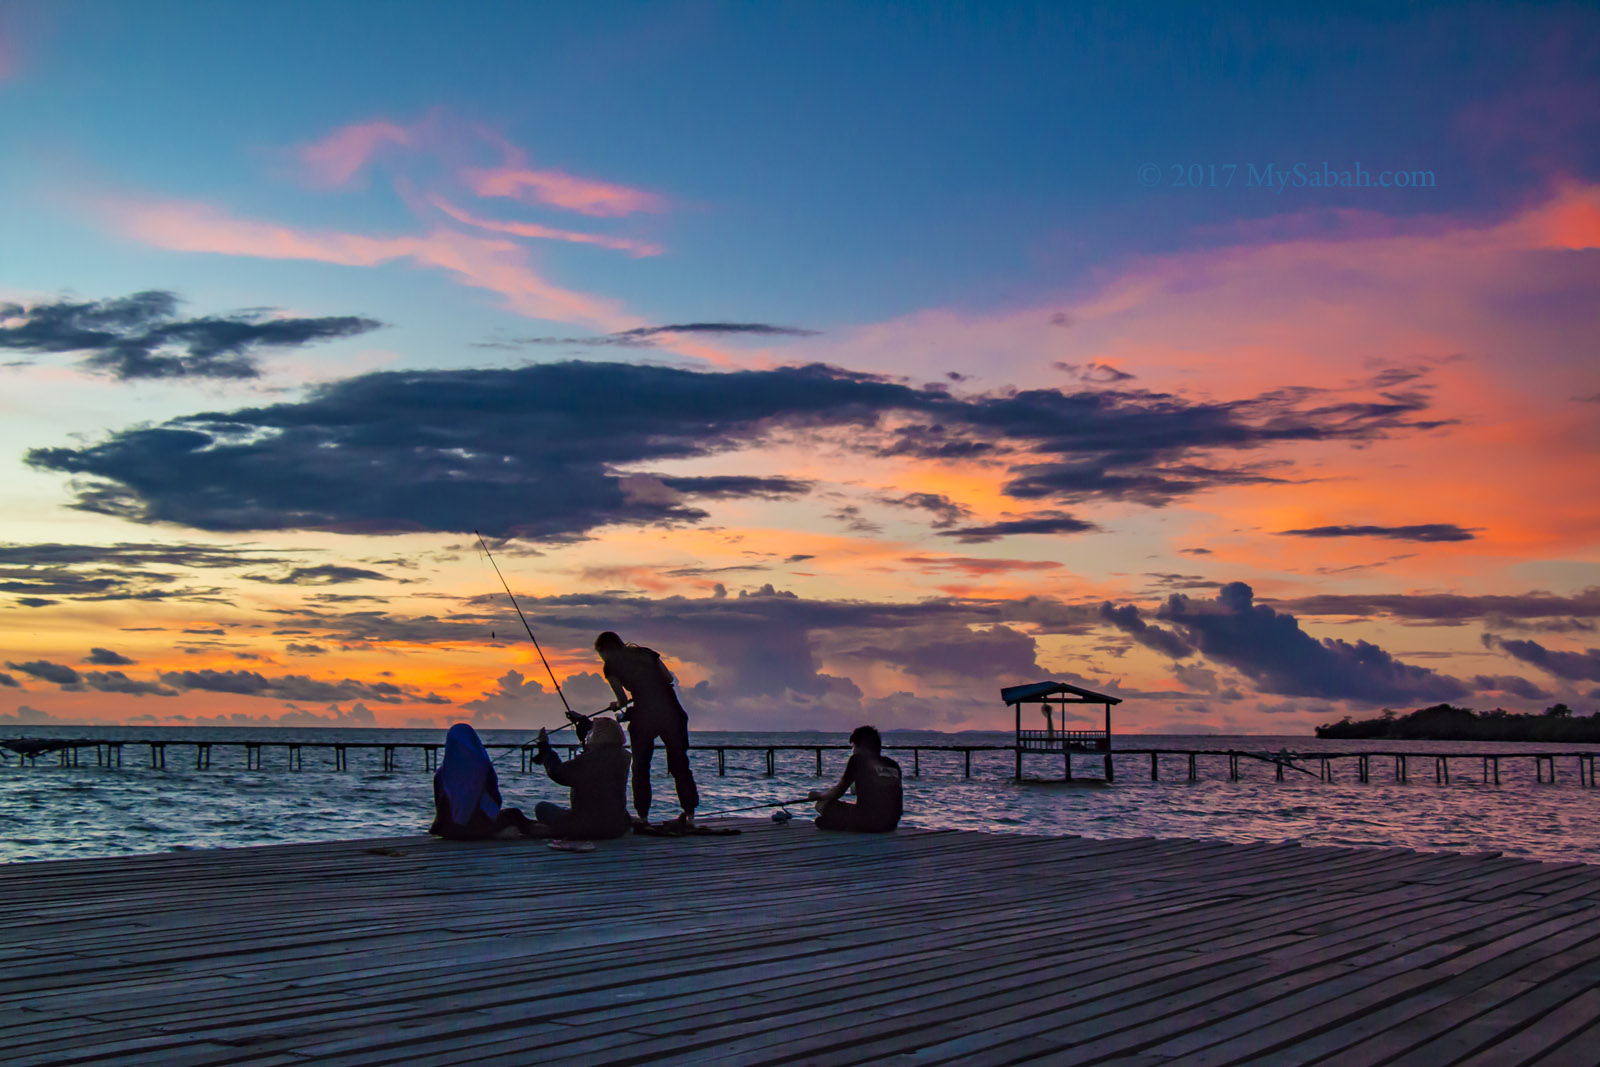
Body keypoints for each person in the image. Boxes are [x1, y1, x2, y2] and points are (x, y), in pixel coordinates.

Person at [594, 630, 700, 831]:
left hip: (645, 716)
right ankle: (690, 815)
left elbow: (622, 700)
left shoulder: (610, 666)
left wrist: (617, 705)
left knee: (641, 767)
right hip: (672, 712)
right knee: (680, 765)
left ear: (603, 650)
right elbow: (667, 678)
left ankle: (643, 817)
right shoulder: (646, 653)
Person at [429, 723, 537, 839]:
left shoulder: (441, 773)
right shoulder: (483, 769)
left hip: (448, 829)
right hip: (479, 827)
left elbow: (438, 803)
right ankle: (541, 829)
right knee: (514, 814)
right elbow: (496, 800)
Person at [531, 716, 632, 840]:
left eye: (591, 732)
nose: (588, 735)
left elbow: (559, 773)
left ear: (598, 736)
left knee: (542, 808)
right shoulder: (623, 755)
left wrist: (544, 747)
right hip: (616, 826)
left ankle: (557, 830)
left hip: (587, 826)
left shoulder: (592, 759)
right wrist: (582, 720)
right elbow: (600, 733)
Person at [808, 725, 902, 833]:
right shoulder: (893, 765)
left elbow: (838, 792)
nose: (853, 751)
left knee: (821, 805)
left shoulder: (857, 760)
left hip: (867, 821)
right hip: (891, 824)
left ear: (861, 746)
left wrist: (819, 795)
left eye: (854, 747)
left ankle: (845, 825)